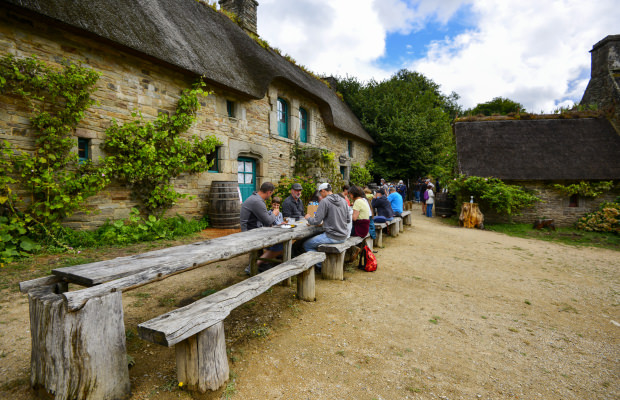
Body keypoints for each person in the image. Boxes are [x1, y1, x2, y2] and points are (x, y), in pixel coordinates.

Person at [303, 183, 350, 269]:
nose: (320, 195)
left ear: (323, 191)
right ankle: (323, 264)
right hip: (344, 235)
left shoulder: (324, 201)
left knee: (307, 245)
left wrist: (308, 218)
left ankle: (322, 266)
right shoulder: (343, 200)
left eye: (320, 193)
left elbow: (316, 221)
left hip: (332, 236)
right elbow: (348, 220)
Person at [240, 182, 280, 273]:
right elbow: (268, 220)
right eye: (271, 194)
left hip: (253, 229)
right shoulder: (257, 202)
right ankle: (256, 265)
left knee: (276, 235)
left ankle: (262, 263)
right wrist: (274, 213)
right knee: (279, 241)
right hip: (249, 232)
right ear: (269, 192)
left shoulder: (255, 198)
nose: (270, 196)